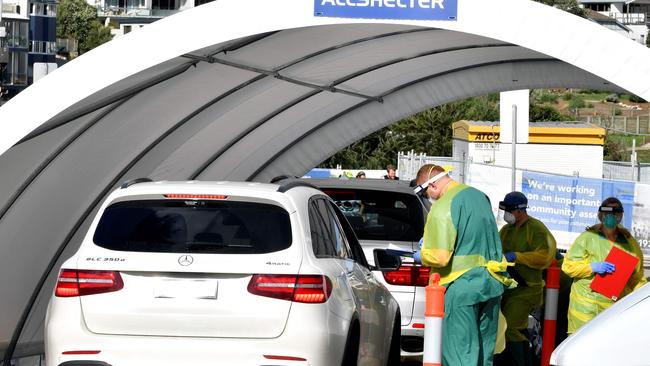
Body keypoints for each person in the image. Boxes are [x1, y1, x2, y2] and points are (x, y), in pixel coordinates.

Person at [412, 164, 515, 366]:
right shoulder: (479, 197)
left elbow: (440, 257)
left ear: (432, 184)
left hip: (460, 288)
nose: (428, 196)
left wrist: (422, 255)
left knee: (459, 354)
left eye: (425, 192)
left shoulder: (442, 207)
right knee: (484, 354)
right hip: (491, 285)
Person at [561, 197, 647, 334]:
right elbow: (568, 266)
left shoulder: (629, 243)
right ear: (601, 215)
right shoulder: (587, 238)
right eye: (607, 214)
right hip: (585, 306)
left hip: (613, 309)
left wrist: (643, 298)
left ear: (620, 216)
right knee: (581, 346)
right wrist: (592, 267)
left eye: (614, 214)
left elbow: (636, 278)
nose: (610, 217)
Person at [497, 192, 556, 366]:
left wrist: (518, 257)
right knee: (512, 329)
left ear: (520, 211)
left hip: (528, 288)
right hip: (508, 287)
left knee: (512, 328)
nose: (507, 214)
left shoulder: (536, 228)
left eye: (510, 210)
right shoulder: (506, 230)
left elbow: (545, 256)